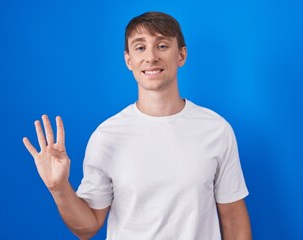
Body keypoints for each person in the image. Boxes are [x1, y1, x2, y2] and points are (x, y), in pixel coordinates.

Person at [23, 11, 252, 240]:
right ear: (128, 60)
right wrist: (59, 188)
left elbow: (233, 218)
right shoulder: (107, 136)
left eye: (162, 45)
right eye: (140, 47)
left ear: (181, 55)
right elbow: (88, 227)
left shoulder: (216, 129)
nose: (151, 57)